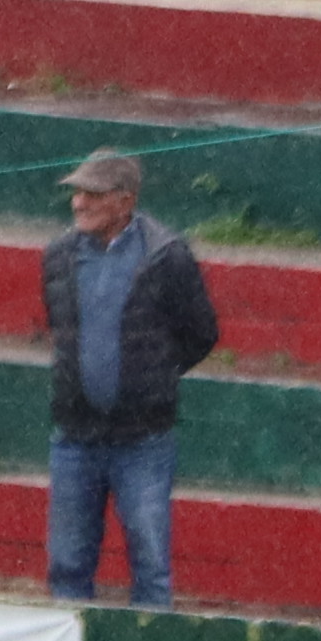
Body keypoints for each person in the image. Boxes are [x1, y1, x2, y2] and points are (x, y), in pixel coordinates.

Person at [42, 150, 215, 609]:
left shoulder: (166, 256)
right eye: (78, 193)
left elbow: (202, 334)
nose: (79, 203)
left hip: (143, 441)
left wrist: (151, 381)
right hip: (76, 437)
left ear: (125, 201)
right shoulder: (59, 257)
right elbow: (62, 332)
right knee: (67, 564)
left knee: (151, 566)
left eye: (93, 194)